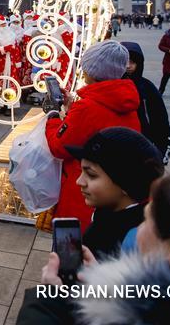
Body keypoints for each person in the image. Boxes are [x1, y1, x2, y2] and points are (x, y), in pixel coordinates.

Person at [17, 167, 170, 324]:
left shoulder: (158, 312)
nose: (138, 229)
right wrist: (102, 282)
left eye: (146, 220)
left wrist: (49, 300)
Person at [45, 40, 141, 230]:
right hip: (114, 191)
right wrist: (73, 109)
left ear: (91, 71)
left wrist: (53, 116)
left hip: (84, 192)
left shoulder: (88, 107)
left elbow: (59, 146)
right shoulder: (125, 100)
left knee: (74, 248)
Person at [66, 127, 164, 259]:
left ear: (126, 184)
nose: (79, 181)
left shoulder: (129, 243)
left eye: (91, 175)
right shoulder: (108, 217)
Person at [121, 41, 170, 164]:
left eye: (132, 62)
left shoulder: (147, 88)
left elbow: (161, 121)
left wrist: (162, 152)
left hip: (143, 145)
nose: (128, 66)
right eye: (124, 62)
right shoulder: (110, 84)